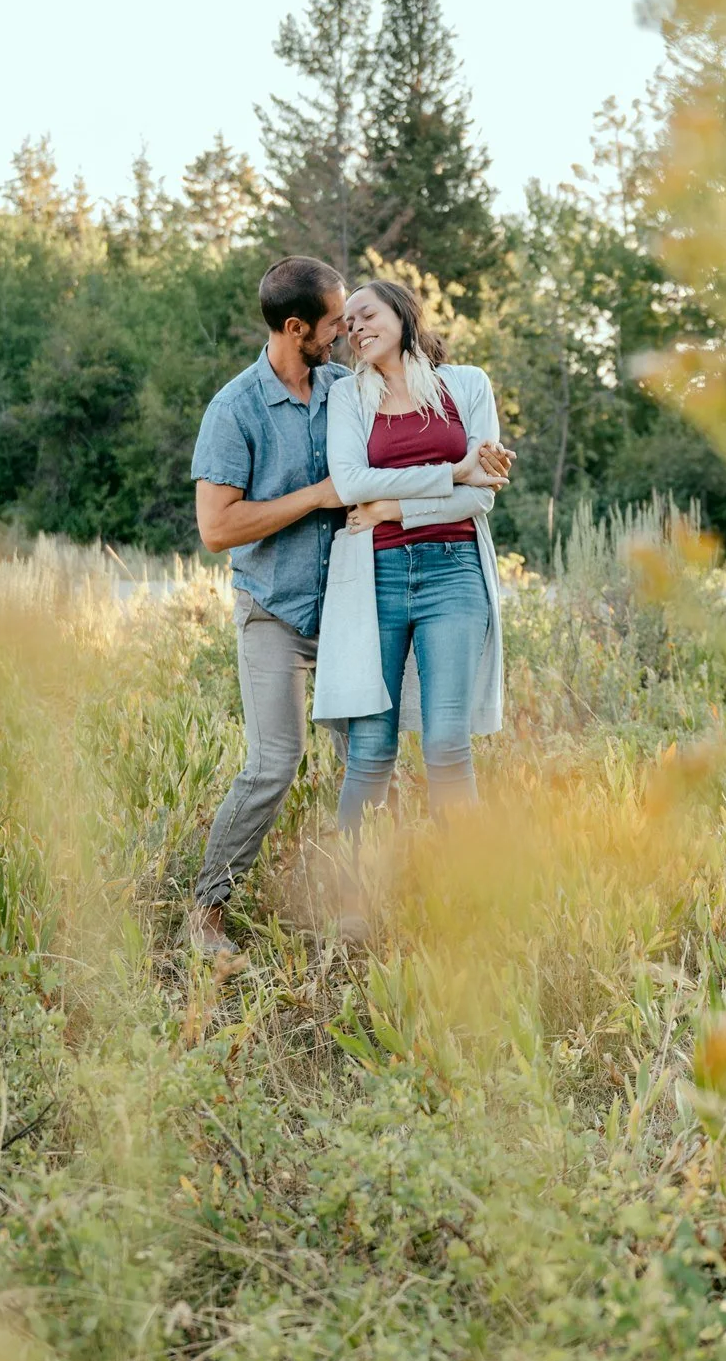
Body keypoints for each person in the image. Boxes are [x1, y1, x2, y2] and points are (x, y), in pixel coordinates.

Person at [311, 280, 512, 870]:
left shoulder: (467, 385)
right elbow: (350, 484)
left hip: (455, 573)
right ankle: (351, 891)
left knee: (448, 744)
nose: (356, 327)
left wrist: (393, 508)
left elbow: (485, 494)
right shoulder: (350, 399)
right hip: (375, 578)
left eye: (365, 313)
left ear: (401, 311)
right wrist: (454, 470)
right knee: (371, 747)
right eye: (347, 324)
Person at [188, 254, 349, 954]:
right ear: (295, 327)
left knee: (370, 762)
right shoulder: (235, 408)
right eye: (334, 323)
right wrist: (315, 495)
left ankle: (359, 907)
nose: (343, 333)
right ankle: (205, 911)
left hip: (349, 614)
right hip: (272, 611)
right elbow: (217, 528)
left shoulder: (345, 388)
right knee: (272, 765)